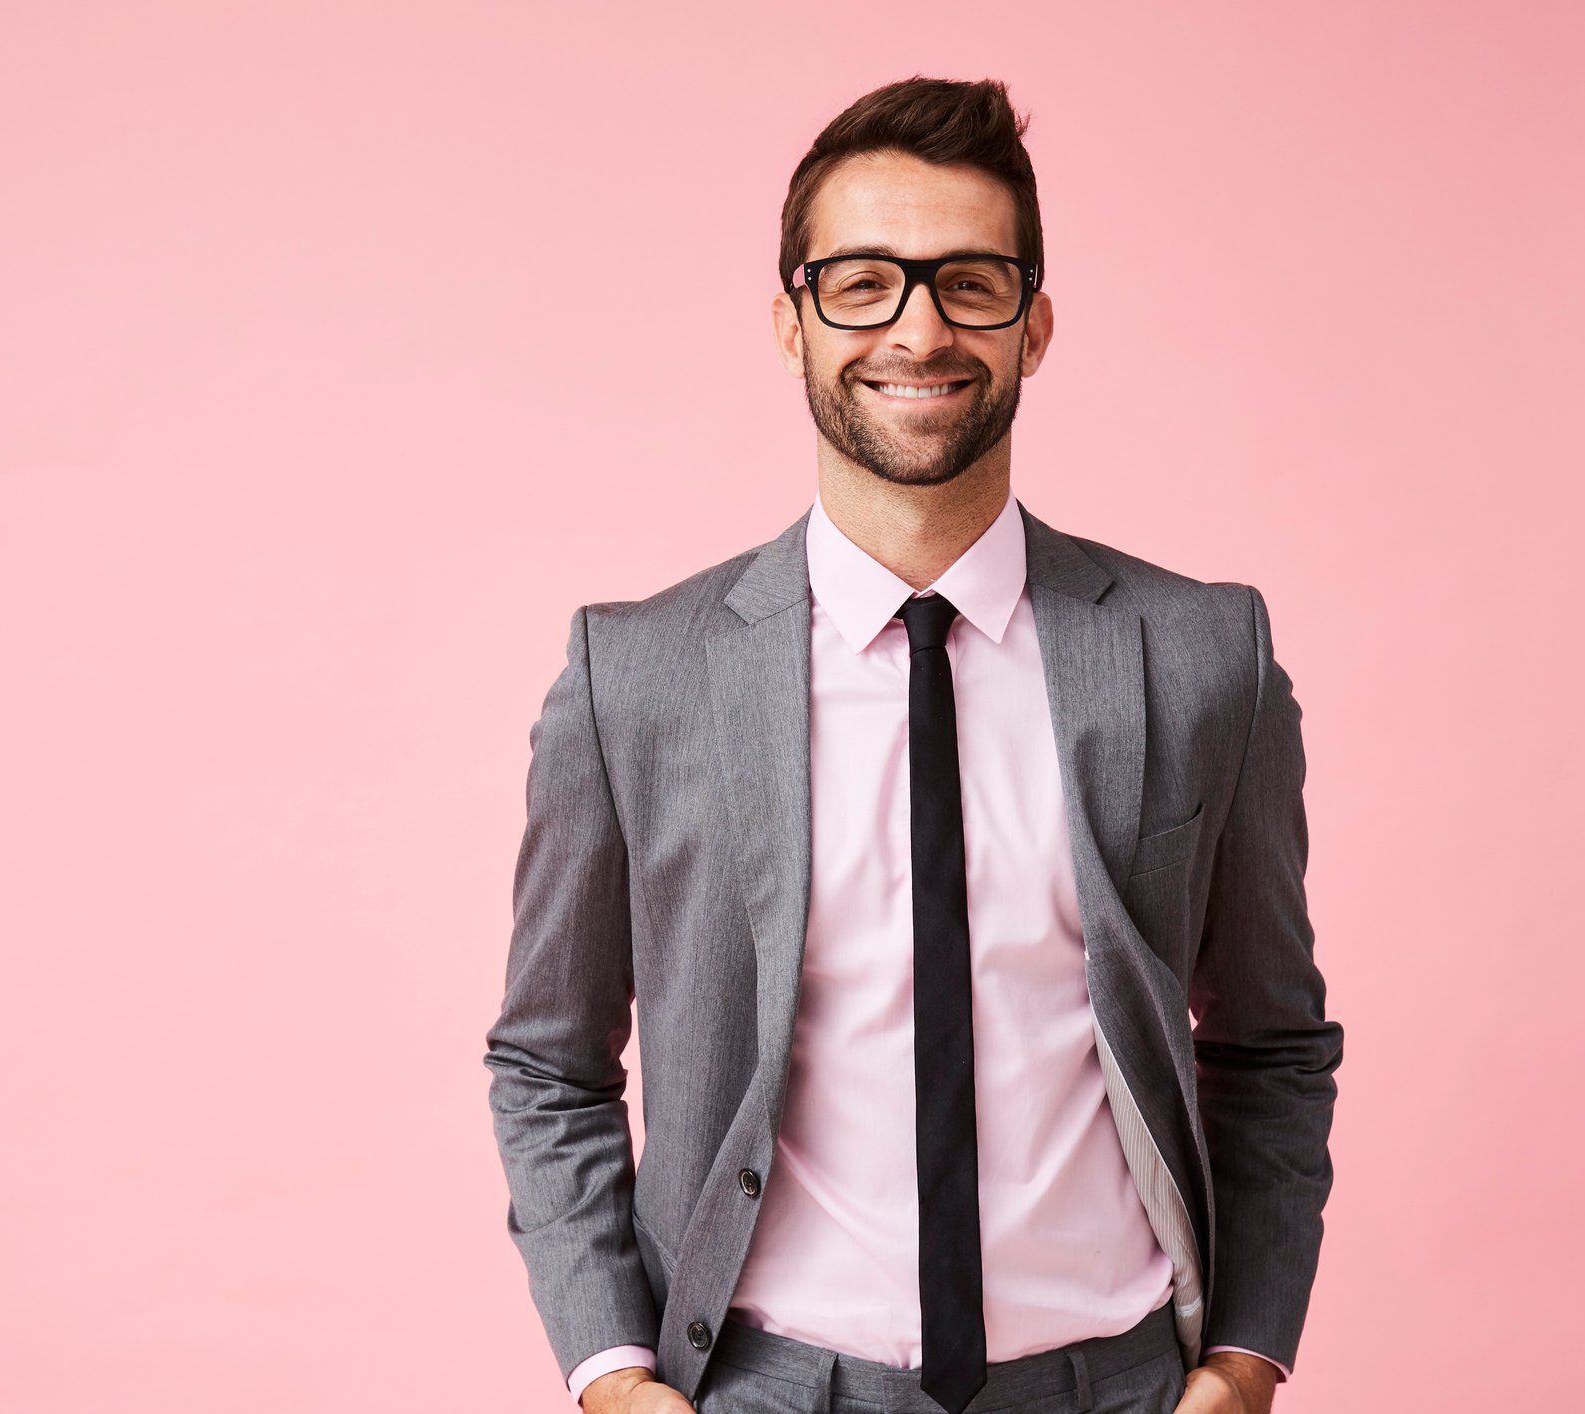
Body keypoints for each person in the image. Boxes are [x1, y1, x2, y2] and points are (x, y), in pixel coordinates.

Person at [484, 76, 1342, 1414]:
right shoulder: (633, 675)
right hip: (768, 1382)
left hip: (1110, 1383)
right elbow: (548, 1060)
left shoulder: (1200, 655)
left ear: (1034, 323)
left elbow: (1273, 1045)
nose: (918, 326)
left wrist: (1239, 1364)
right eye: (862, 282)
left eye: (970, 281)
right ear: (790, 322)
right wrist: (614, 1375)